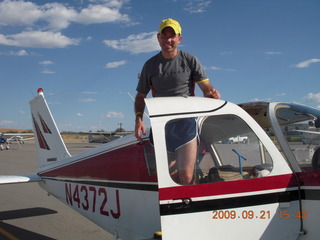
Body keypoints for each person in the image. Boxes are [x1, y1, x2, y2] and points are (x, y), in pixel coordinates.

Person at [134, 18, 220, 184]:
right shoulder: (150, 65)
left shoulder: (190, 60)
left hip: (186, 125)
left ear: (179, 38)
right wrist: (138, 119)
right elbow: (140, 96)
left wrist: (212, 93)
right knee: (166, 178)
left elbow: (206, 87)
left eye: (172, 36)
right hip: (161, 125)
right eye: (164, 36)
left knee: (186, 176)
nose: (168, 40)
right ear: (158, 38)